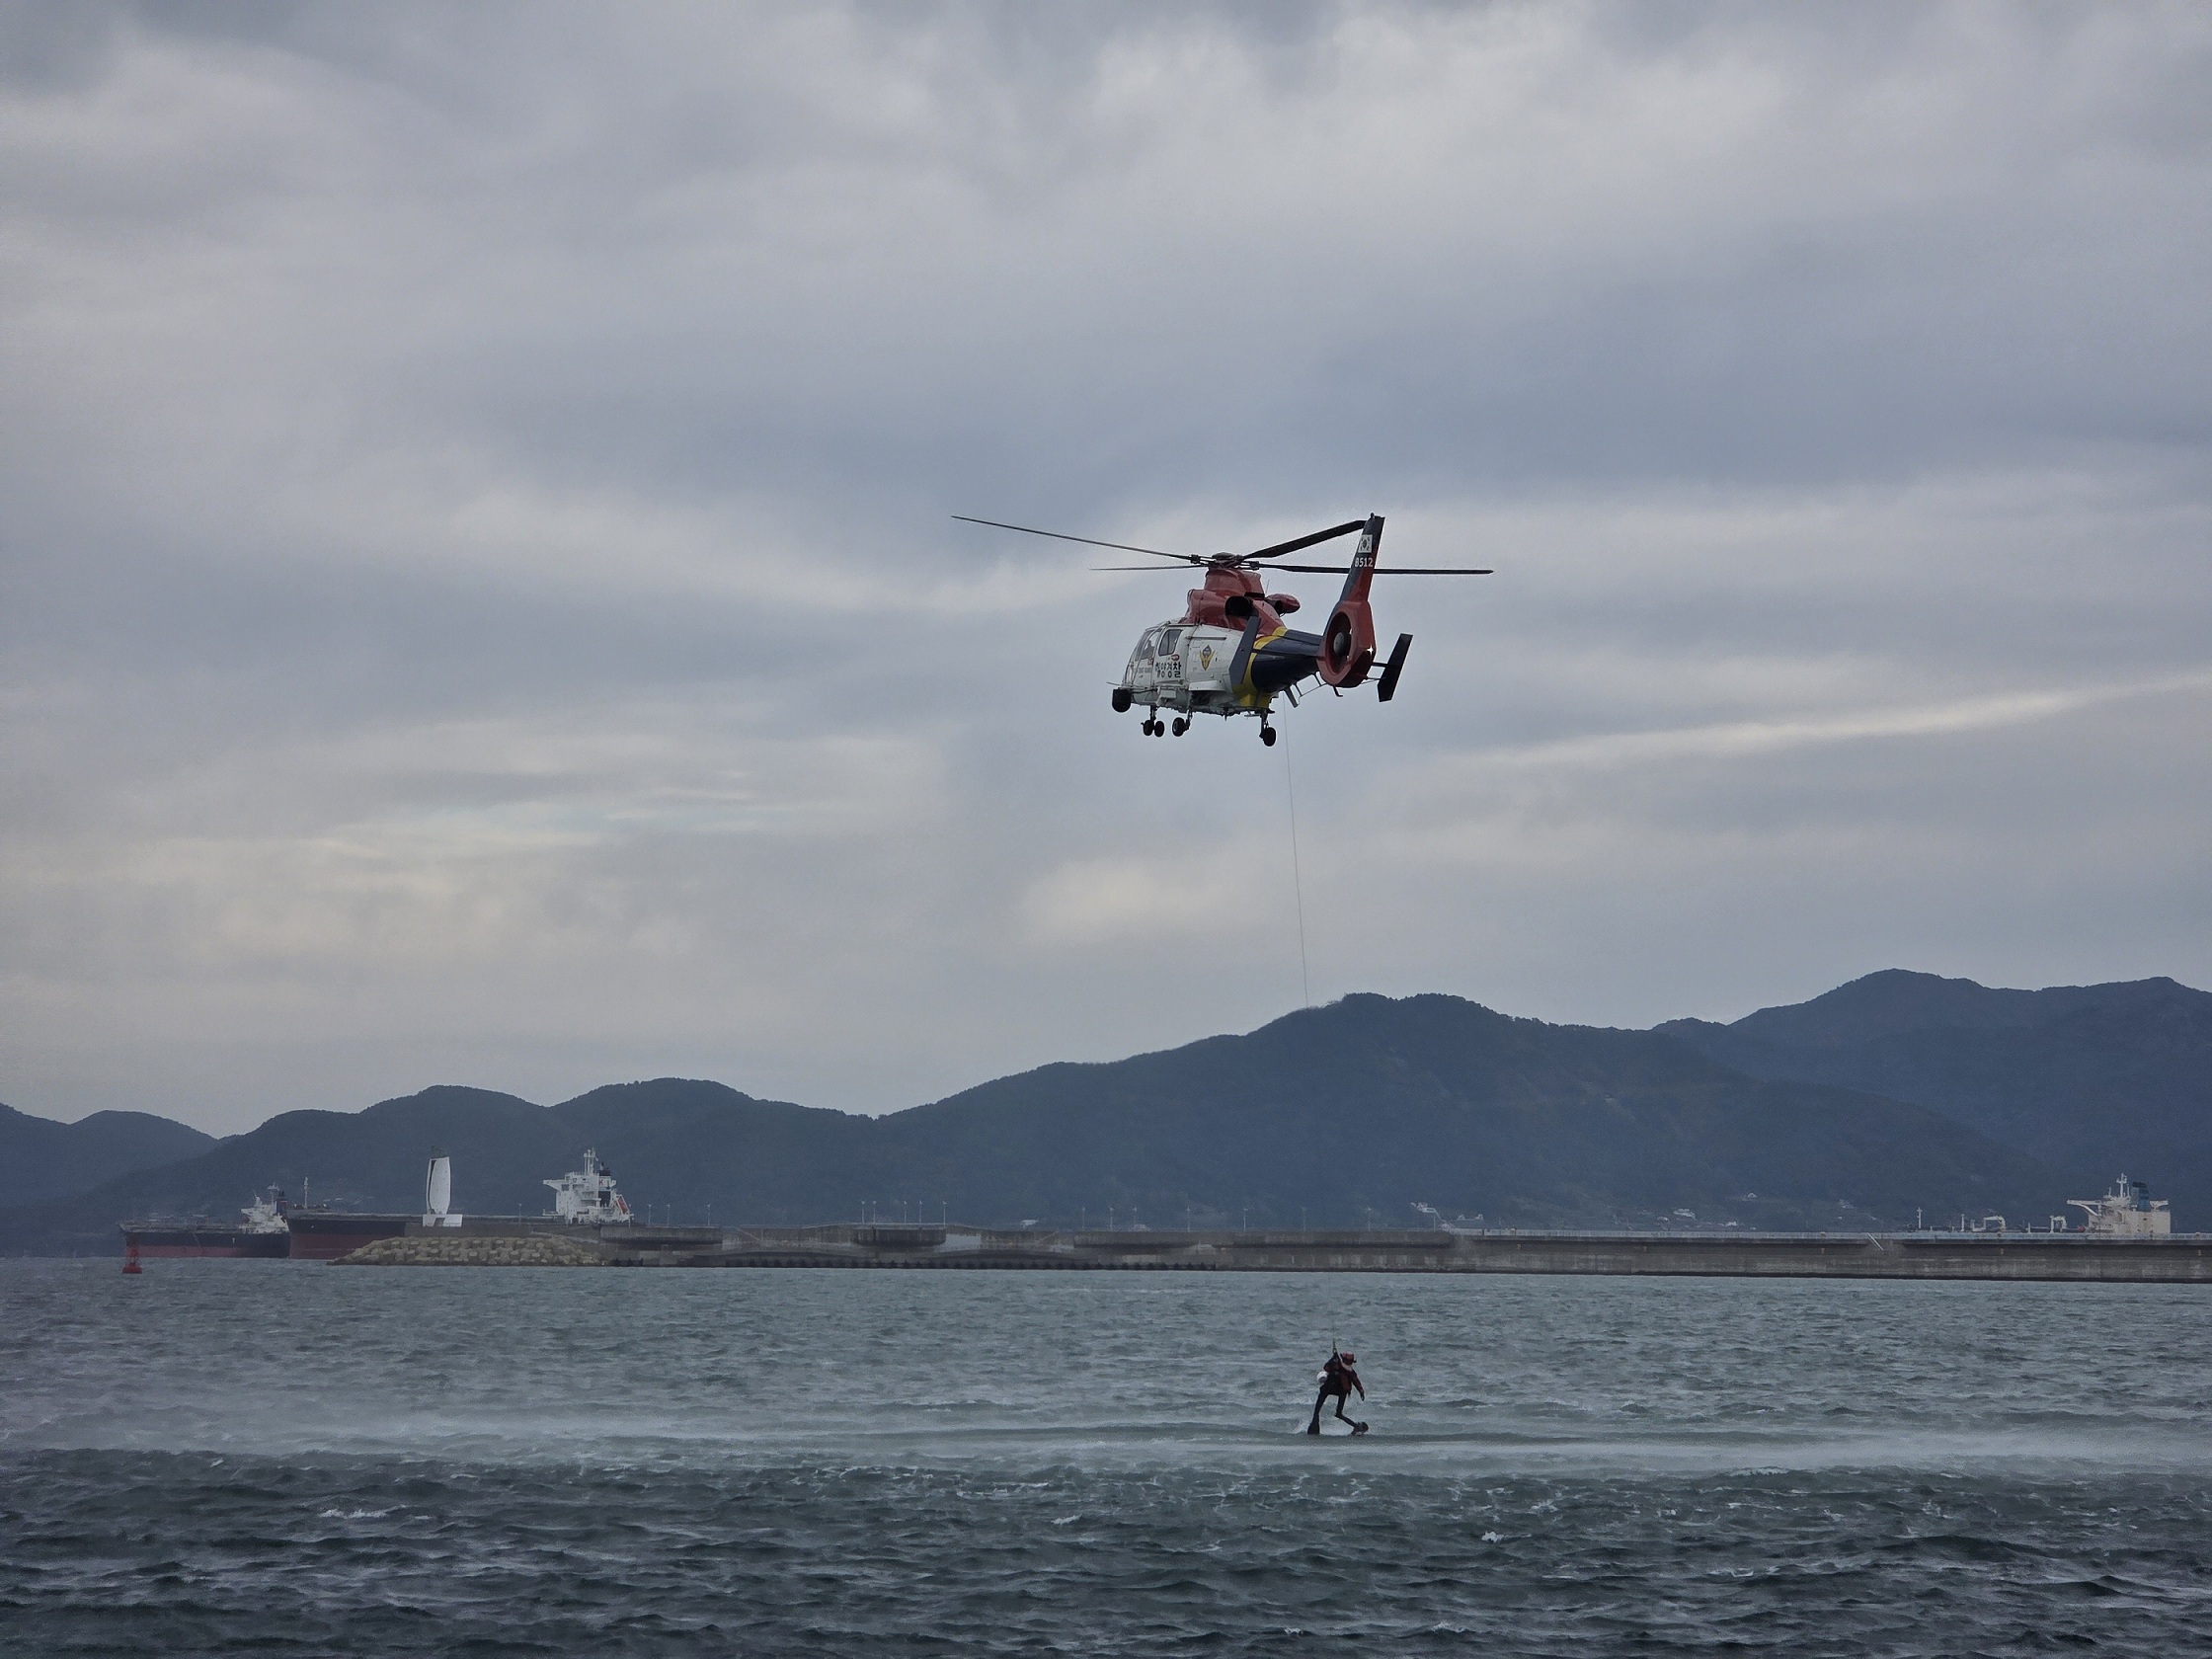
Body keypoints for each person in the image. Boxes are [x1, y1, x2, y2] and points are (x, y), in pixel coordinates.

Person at [1306, 1346, 1367, 1435]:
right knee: (1338, 1413)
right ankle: (1356, 1426)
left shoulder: (1338, 1364)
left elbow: (1326, 1368)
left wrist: (1361, 1391)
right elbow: (1356, 1381)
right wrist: (1361, 1391)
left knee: (1318, 1410)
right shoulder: (1347, 1370)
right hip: (1338, 1390)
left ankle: (1315, 1426)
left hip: (1331, 1389)